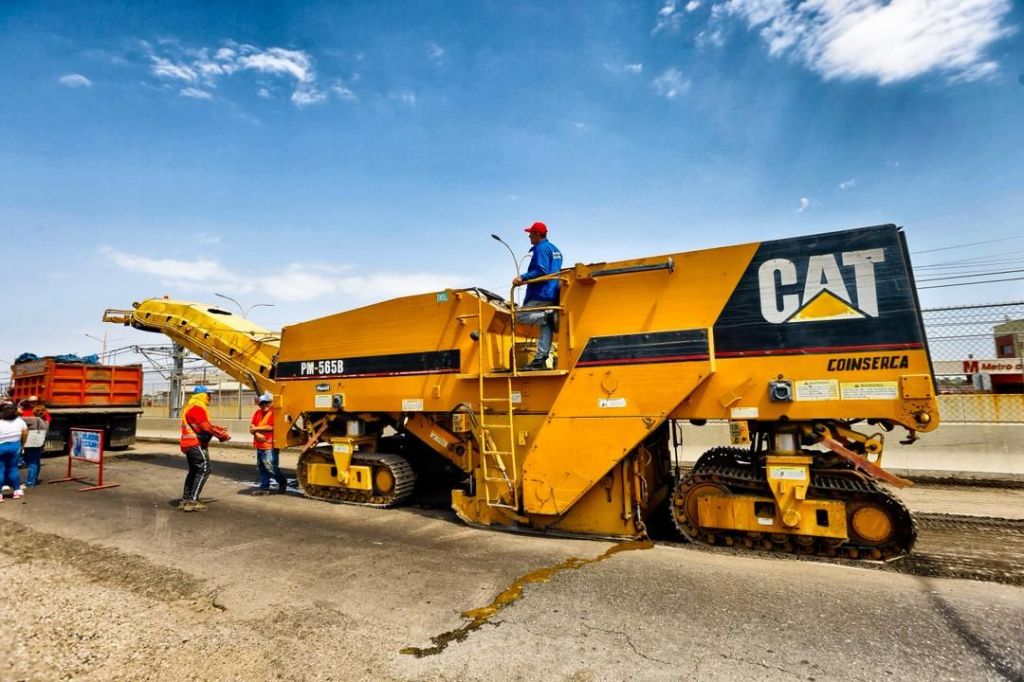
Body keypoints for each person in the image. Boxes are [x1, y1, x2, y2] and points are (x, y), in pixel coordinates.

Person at [512, 221, 563, 369]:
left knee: (519, 315)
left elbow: (542, 270)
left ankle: (549, 316)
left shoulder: (541, 249)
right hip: (552, 291)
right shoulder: (555, 250)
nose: (529, 237)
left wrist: (522, 277)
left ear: (537, 234)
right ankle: (541, 357)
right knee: (545, 325)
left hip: (541, 292)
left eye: (531, 234)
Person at [178, 386, 231, 512]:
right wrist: (221, 435)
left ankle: (186, 499)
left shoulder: (192, 407)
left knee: (194, 471)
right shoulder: (197, 408)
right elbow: (205, 428)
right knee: (204, 470)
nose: (210, 397)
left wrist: (216, 428)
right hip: (196, 444)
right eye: (208, 395)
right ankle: (192, 501)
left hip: (190, 444)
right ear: (201, 395)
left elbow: (201, 425)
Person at [249, 392, 287, 495]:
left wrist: (256, 429)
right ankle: (264, 488)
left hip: (270, 446)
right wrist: (257, 433)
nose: (264, 405)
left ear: (270, 403)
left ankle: (282, 482)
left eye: (266, 403)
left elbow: (273, 427)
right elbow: (251, 428)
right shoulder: (257, 413)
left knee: (271, 467)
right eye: (261, 403)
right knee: (262, 468)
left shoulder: (274, 413)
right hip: (259, 445)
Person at [0, 402, 28, 501]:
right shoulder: (19, 421)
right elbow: (25, 433)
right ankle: (17, 491)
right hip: (15, 446)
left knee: (1, 470)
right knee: (14, 468)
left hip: (1, 447)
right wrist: (22, 444)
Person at [20, 405, 48, 488]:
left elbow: (18, 420)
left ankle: (30, 482)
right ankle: (34, 480)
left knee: (31, 463)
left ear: (34, 412)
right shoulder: (44, 422)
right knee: (36, 462)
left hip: (30, 444)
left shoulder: (33, 419)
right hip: (39, 443)